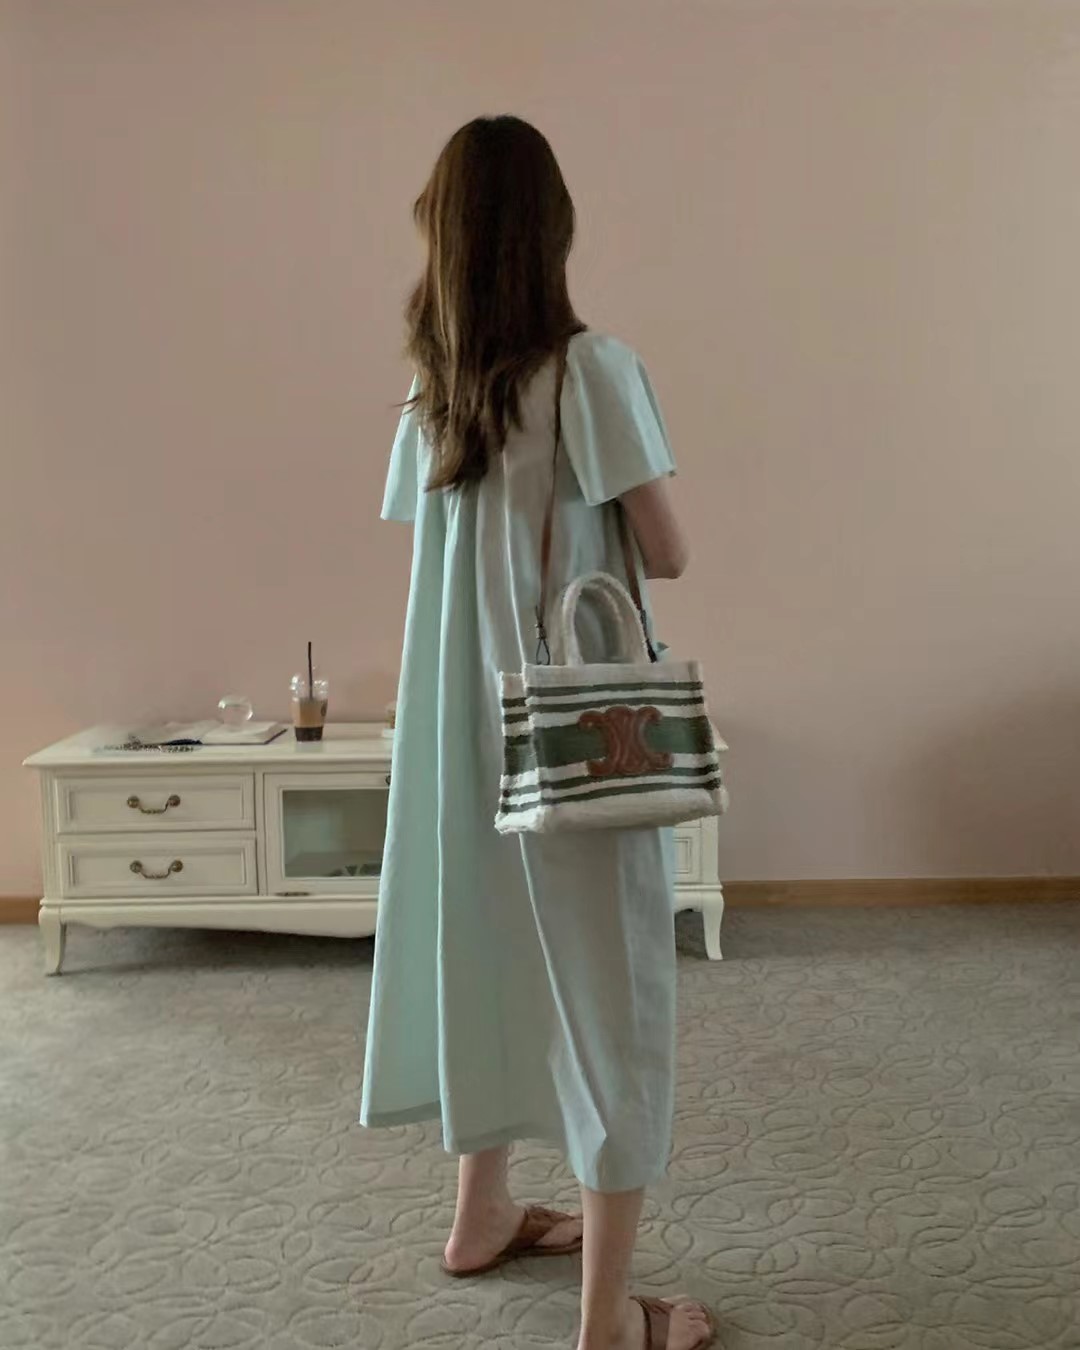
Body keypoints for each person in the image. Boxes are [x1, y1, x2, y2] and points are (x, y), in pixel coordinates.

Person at [361, 116, 715, 1350]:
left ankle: (482, 1213)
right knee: (613, 997)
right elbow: (666, 551)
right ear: (551, 230)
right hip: (571, 743)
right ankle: (609, 1318)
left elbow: (441, 562)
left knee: (488, 956)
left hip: (460, 737)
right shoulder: (593, 369)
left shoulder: (434, 390)